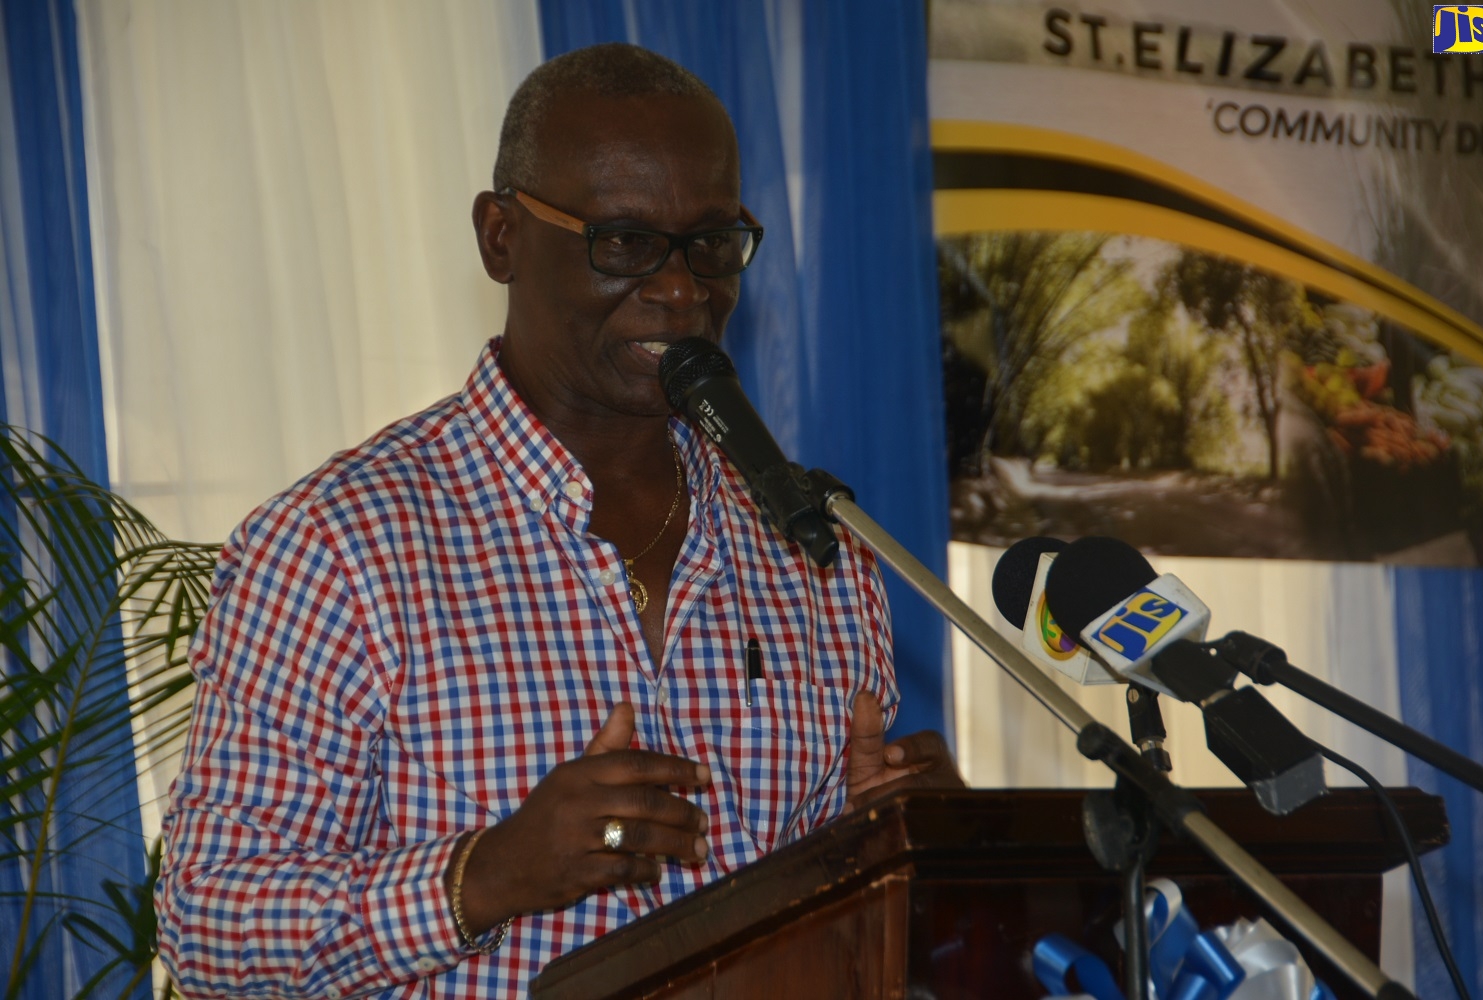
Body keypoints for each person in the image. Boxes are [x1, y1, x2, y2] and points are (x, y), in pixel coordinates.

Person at [155, 43, 960, 999]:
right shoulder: (339, 548)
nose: (681, 290)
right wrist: (484, 876)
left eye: (711, 242)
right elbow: (209, 927)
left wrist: (899, 849)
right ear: (500, 236)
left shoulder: (812, 545)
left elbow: (838, 924)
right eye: (622, 241)